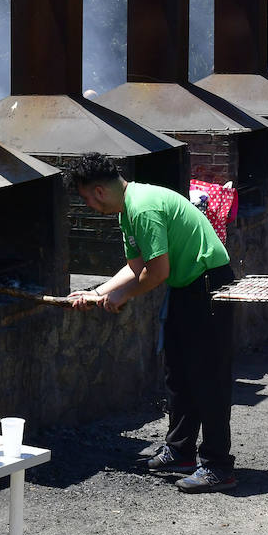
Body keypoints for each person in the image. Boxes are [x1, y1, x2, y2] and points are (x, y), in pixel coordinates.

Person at [66, 152, 238, 493]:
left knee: (208, 378)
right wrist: (97, 292)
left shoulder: (142, 208)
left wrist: (122, 297)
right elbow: (136, 266)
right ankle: (180, 451)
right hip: (186, 287)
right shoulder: (128, 209)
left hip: (208, 285)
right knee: (179, 373)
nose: (88, 206)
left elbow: (156, 273)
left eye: (86, 198)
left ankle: (219, 466)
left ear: (99, 191)